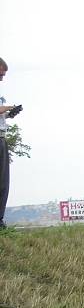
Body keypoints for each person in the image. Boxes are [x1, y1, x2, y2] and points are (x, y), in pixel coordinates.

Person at [0, 57, 22, 230]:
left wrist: (9, 114)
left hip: (2, 137)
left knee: (3, 181)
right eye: (2, 72)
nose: (3, 76)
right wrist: (7, 107)